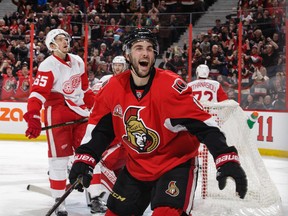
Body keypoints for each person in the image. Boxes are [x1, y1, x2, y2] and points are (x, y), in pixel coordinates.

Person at [68, 28, 247, 216]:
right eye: (138, 48)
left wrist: (225, 158)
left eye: (150, 48)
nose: (145, 52)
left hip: (175, 165)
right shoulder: (112, 88)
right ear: (128, 55)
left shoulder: (170, 88)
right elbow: (100, 131)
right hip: (137, 166)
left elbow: (205, 126)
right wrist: (85, 159)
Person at [23, 28, 94, 216]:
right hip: (58, 114)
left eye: (66, 38)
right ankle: (58, 199)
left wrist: (96, 108)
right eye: (60, 39)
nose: (65, 41)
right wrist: (33, 117)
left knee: (88, 153)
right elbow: (37, 94)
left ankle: (93, 194)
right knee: (58, 160)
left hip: (80, 113)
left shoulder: (78, 61)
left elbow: (86, 91)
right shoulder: (48, 65)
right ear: (52, 45)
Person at [88, 55, 127, 214]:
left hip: (121, 138)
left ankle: (106, 196)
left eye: (120, 65)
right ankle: (95, 196)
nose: (117, 68)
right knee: (94, 160)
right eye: (115, 65)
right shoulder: (105, 79)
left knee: (100, 163)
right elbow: (92, 98)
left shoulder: (128, 81)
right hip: (106, 134)